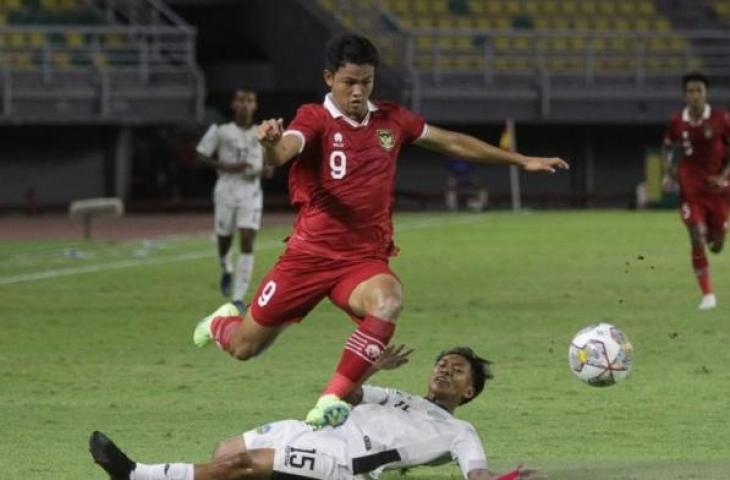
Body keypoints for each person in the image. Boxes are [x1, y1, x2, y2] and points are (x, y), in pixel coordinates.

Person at [193, 34, 569, 428]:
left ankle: (330, 399)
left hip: (362, 260)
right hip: (308, 257)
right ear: (329, 78)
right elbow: (284, 151)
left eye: (366, 82)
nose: (357, 92)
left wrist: (521, 161)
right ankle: (221, 322)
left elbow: (453, 142)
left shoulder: (392, 121)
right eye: (348, 83)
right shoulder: (314, 118)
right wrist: (269, 146)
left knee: (388, 300)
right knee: (244, 348)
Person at [89, 345, 543, 480]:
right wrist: (370, 367)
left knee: (238, 467)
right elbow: (344, 397)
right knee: (226, 451)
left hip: (346, 462)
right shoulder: (397, 396)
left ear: (469, 391)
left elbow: (476, 475)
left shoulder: (461, 430)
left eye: (457, 370)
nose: (445, 370)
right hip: (311, 431)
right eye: (442, 364)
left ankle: (136, 475)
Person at [197, 88, 273, 309]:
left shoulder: (262, 132)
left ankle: (238, 297)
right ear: (233, 104)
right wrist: (225, 166)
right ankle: (226, 267)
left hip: (251, 191)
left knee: (248, 239)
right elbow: (201, 154)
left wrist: (268, 168)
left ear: (255, 105)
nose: (245, 105)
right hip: (227, 189)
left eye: (250, 100)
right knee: (224, 240)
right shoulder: (221, 131)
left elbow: (270, 160)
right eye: (241, 100)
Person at [662, 72, 730, 310]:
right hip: (690, 188)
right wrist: (668, 175)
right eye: (690, 91)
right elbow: (668, 147)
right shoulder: (677, 122)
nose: (694, 95)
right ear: (685, 94)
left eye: (698, 91)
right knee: (696, 236)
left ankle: (720, 231)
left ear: (706, 93)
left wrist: (723, 176)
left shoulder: (721, 119)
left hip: (719, 190)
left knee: (717, 244)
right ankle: (708, 295)